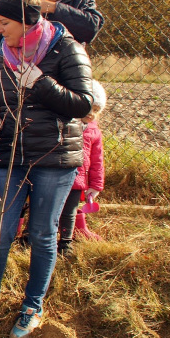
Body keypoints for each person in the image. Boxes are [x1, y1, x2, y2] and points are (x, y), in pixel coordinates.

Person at [0, 0, 94, 338]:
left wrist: (41, 83)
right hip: (9, 154)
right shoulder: (2, 53)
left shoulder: (66, 49)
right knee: (0, 231)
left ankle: (32, 306)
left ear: (26, 22)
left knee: (43, 233)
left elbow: (84, 103)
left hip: (54, 158)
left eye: (4, 23)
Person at [58, 79, 106, 254]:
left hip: (78, 180)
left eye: (96, 110)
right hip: (59, 174)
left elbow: (97, 161)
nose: (92, 114)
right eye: (89, 107)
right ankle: (31, 236)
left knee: (69, 211)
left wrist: (95, 185)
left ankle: (65, 242)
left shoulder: (94, 131)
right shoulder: (65, 124)